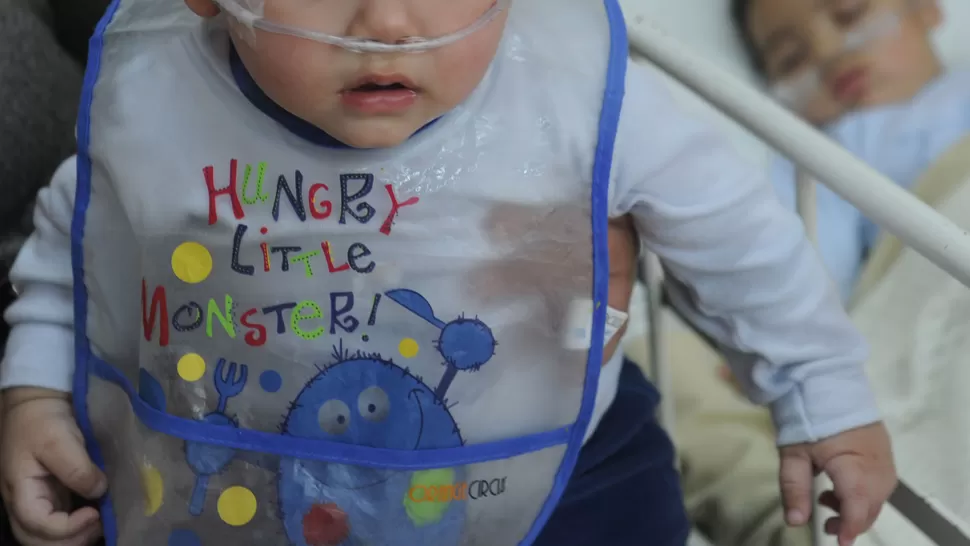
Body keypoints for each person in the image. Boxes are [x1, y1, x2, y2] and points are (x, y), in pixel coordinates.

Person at [0, 2, 896, 546]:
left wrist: (822, 391)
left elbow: (739, 236)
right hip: (263, 471)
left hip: (568, 467)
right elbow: (71, 250)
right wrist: (35, 395)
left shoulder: (575, 100)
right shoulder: (159, 111)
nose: (388, 25)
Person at [732, 0, 970, 301]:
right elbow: (809, 276)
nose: (828, 52)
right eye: (792, 59)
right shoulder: (823, 158)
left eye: (849, 15)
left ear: (925, 7)